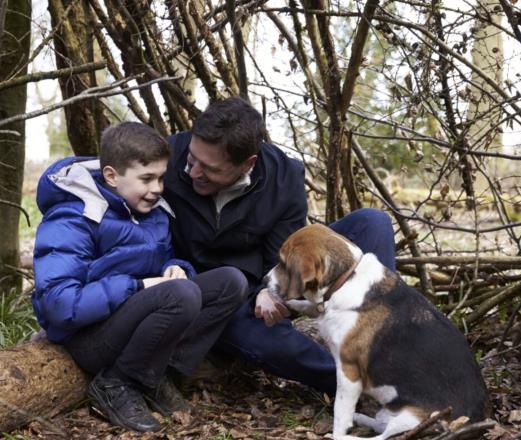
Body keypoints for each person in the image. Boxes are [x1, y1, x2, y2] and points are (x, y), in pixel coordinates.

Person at [163, 97, 396, 396]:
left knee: (372, 223)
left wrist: (270, 289)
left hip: (268, 279)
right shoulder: (167, 157)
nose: (192, 172)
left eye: (208, 168)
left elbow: (285, 248)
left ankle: (383, 349)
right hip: (214, 296)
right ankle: (352, 384)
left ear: (248, 163)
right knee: (257, 337)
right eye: (192, 159)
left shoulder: (284, 175)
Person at [32, 122, 246, 432]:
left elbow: (163, 260)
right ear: (111, 176)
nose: (158, 188)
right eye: (147, 179)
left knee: (231, 283)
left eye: (160, 177)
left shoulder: (152, 209)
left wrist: (176, 269)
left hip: (136, 320)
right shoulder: (71, 217)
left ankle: (155, 375)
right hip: (86, 337)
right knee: (181, 295)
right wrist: (139, 286)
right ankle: (115, 382)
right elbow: (59, 304)